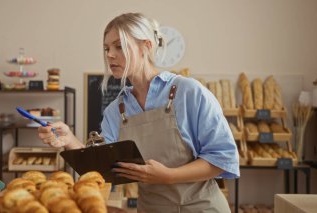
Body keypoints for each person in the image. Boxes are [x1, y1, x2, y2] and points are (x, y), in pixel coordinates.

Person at [38, 12, 239, 212]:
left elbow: (222, 158)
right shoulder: (116, 110)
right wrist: (69, 140)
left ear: (147, 46)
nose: (109, 54)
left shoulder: (188, 92)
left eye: (119, 46)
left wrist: (169, 175)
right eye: (107, 48)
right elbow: (102, 168)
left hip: (202, 207)